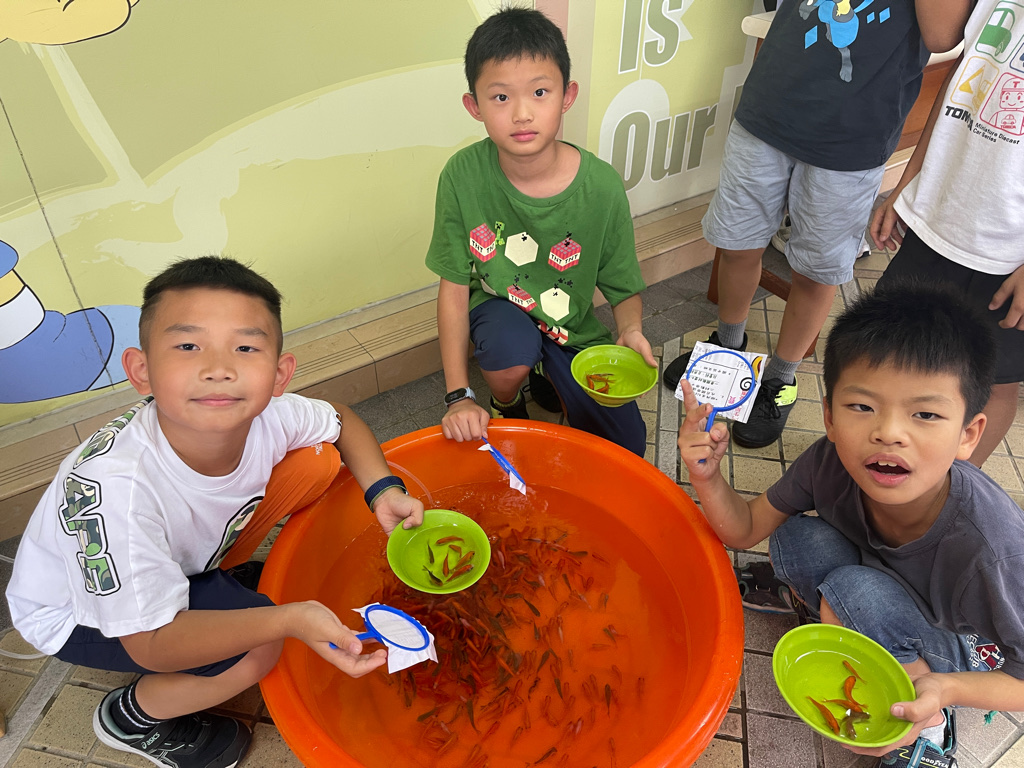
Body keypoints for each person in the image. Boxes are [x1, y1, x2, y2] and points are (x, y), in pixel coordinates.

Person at [5, 256, 424, 768]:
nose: (219, 368)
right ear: (140, 371)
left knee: (318, 460)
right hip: (75, 614)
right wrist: (287, 619)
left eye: (245, 347)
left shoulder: (268, 416)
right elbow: (151, 645)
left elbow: (340, 419)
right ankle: (131, 719)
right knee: (259, 648)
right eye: (188, 346)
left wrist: (383, 490)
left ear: (279, 374)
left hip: (167, 561)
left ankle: (213, 581)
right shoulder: (120, 492)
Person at [678, 283, 1024, 767]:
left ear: (969, 435)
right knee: (796, 537)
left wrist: (944, 688)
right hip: (880, 583)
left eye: (925, 414)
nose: (888, 433)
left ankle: (929, 728)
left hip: (964, 648)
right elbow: (745, 528)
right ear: (829, 416)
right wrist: (706, 476)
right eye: (862, 407)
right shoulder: (829, 461)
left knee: (854, 592)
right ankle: (837, 614)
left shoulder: (995, 548)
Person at [662, 0, 971, 450]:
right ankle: (728, 347)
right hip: (769, 106)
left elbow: (942, 36)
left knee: (816, 270)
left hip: (854, 135)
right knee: (737, 243)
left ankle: (780, 379)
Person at [425, 6, 657, 458]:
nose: (522, 113)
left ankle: (545, 369)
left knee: (627, 447)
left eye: (539, 92)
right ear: (474, 106)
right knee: (508, 351)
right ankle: (507, 397)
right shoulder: (461, 175)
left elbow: (622, 280)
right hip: (498, 308)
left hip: (570, 328)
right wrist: (458, 397)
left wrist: (630, 329)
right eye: (500, 97)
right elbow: (452, 286)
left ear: (567, 96)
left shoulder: (602, 186)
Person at [871, 0, 1023, 468]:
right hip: (945, 209)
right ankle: (879, 471)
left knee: (995, 380)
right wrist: (910, 181)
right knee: (893, 353)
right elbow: (960, 68)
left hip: (1010, 250)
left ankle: (952, 488)